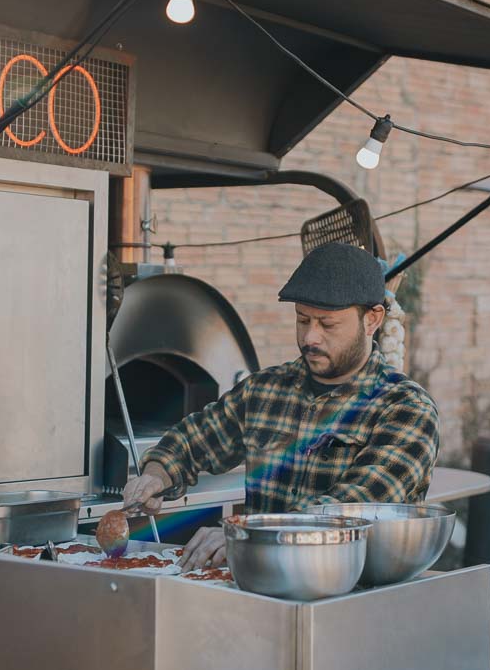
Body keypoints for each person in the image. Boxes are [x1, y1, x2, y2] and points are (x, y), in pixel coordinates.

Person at [123, 241, 439, 573]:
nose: (310, 338)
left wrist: (245, 534)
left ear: (372, 319)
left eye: (327, 324)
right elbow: (193, 440)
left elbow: (348, 511)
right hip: (261, 588)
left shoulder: (406, 409)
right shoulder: (265, 391)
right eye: (302, 320)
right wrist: (157, 474)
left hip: (351, 594)